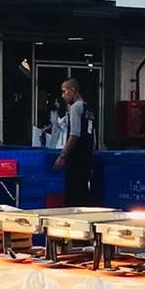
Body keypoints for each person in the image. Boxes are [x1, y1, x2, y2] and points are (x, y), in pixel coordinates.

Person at [55, 78, 95, 206]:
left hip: (76, 158)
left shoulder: (75, 108)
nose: (63, 96)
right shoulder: (88, 108)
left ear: (72, 90)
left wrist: (62, 156)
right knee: (83, 195)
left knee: (73, 197)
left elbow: (74, 134)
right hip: (87, 158)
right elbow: (92, 135)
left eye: (64, 91)